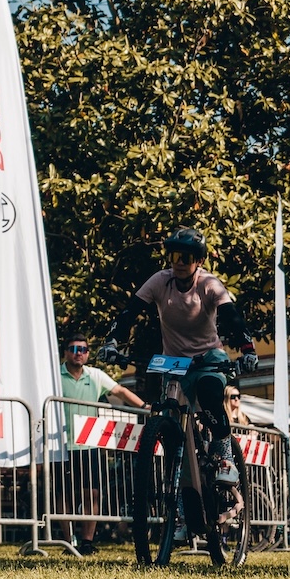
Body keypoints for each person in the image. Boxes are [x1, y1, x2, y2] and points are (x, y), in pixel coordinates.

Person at [101, 228, 256, 490]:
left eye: (187, 257)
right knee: (169, 421)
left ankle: (226, 458)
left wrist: (248, 349)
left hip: (208, 358)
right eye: (174, 256)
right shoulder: (160, 281)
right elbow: (131, 311)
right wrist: (111, 341)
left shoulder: (208, 284)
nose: (179, 263)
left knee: (209, 394)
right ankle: (179, 497)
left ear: (199, 261)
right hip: (174, 361)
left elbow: (232, 316)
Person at [55, 334, 144, 553]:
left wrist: (145, 407)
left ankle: (87, 542)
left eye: (83, 350)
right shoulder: (54, 375)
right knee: (64, 495)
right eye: (73, 349)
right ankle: (69, 542)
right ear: (65, 352)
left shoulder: (95, 375)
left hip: (90, 444)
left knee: (92, 493)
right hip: (61, 445)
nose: (78, 353)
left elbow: (120, 391)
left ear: (87, 354)